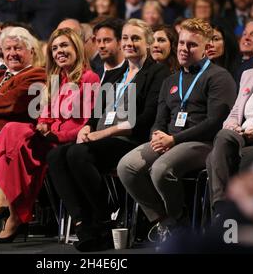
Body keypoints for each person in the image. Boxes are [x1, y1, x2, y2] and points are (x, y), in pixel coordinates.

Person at [48, 19, 170, 252]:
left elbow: (147, 118)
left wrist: (106, 132)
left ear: (148, 42)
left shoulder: (157, 72)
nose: (129, 43)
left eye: (135, 38)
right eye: (125, 38)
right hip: (103, 137)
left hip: (131, 139)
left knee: (77, 154)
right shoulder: (118, 73)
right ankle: (83, 222)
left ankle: (103, 221)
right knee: (56, 156)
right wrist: (87, 127)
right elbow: (96, 112)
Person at [117, 18, 236, 244]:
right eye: (181, 43)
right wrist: (156, 135)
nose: (184, 49)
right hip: (170, 140)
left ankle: (179, 221)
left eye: (191, 45)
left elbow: (215, 122)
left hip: (203, 143)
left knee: (161, 169)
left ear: (205, 48)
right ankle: (167, 222)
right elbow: (160, 118)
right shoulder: (172, 79)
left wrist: (173, 139)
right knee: (127, 167)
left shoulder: (219, 77)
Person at [0, 28, 99, 243]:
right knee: (11, 131)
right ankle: (10, 210)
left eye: (64, 46)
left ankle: (8, 209)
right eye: (55, 48)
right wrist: (43, 127)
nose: (59, 51)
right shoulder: (56, 79)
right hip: (47, 140)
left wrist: (55, 135)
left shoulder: (89, 78)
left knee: (14, 137)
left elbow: (87, 125)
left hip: (66, 144)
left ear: (77, 48)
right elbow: (44, 117)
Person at [206, 28, 253, 219]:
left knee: (219, 158)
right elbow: (236, 110)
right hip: (240, 132)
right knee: (223, 137)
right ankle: (221, 209)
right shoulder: (248, 74)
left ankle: (230, 217)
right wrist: (233, 126)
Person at [0, 26, 46, 140]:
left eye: (18, 48)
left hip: (1, 134)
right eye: (8, 49)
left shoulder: (37, 75)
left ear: (31, 51)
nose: (12, 53)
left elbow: (11, 103)